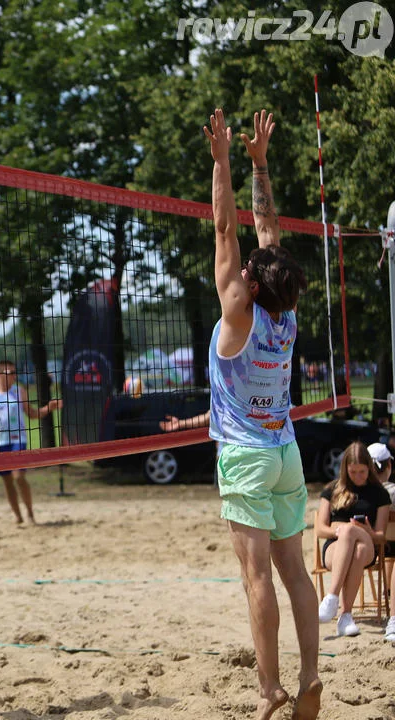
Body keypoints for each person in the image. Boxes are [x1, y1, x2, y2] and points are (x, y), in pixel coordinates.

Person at [203, 108, 320, 720]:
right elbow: (266, 231)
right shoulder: (286, 309)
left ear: (250, 280)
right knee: (296, 572)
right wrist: (259, 163)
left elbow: (227, 228)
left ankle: (270, 688)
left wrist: (222, 161)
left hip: (247, 455)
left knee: (257, 581)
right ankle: (310, 676)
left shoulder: (239, 311)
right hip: (284, 453)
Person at [315, 441, 391, 636]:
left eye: (362, 472)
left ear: (370, 468)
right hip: (337, 545)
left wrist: (367, 530)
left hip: (368, 542)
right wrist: (338, 531)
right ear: (345, 469)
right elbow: (320, 529)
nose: (358, 477)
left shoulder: (379, 494)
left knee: (353, 536)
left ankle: (331, 597)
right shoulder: (332, 489)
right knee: (352, 542)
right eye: (353, 472)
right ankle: (345, 616)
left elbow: (381, 536)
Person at [0, 360, 62, 524]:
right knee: (7, 480)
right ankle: (18, 515)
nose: (14, 376)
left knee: (18, 476)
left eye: (15, 372)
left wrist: (49, 408)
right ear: (0, 374)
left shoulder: (19, 391)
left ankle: (30, 513)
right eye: (11, 373)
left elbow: (32, 414)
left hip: (18, 439)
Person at [367, 441, 395, 640]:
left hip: (371, 548)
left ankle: (387, 593)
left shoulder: (363, 496)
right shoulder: (392, 491)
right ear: (389, 466)